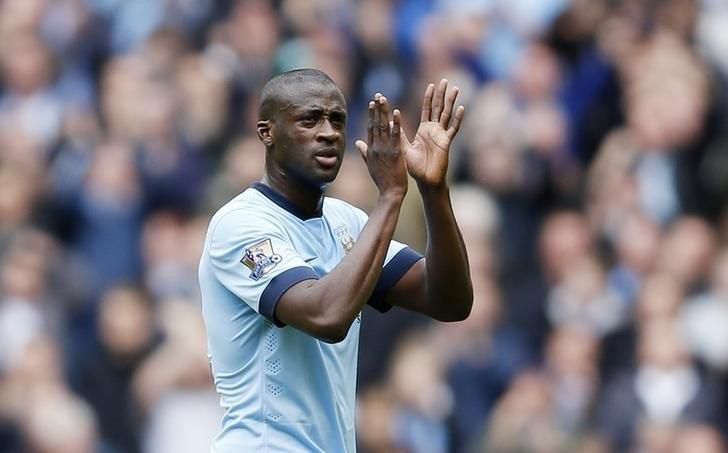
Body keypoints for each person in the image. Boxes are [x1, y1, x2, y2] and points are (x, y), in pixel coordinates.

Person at [198, 68, 473, 452]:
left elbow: (449, 300)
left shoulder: (348, 222)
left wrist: (433, 191)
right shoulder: (240, 224)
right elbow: (326, 317)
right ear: (267, 132)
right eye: (309, 119)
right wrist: (391, 196)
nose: (328, 132)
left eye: (337, 120)